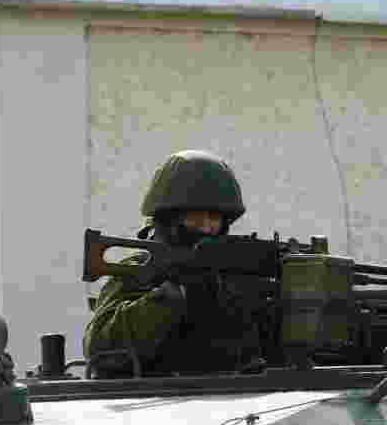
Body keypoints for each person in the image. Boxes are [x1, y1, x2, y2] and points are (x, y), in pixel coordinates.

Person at [84, 150, 265, 377]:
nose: (206, 227)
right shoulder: (141, 269)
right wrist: (169, 297)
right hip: (159, 399)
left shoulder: (234, 271)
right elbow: (98, 348)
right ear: (169, 219)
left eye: (215, 218)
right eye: (196, 217)